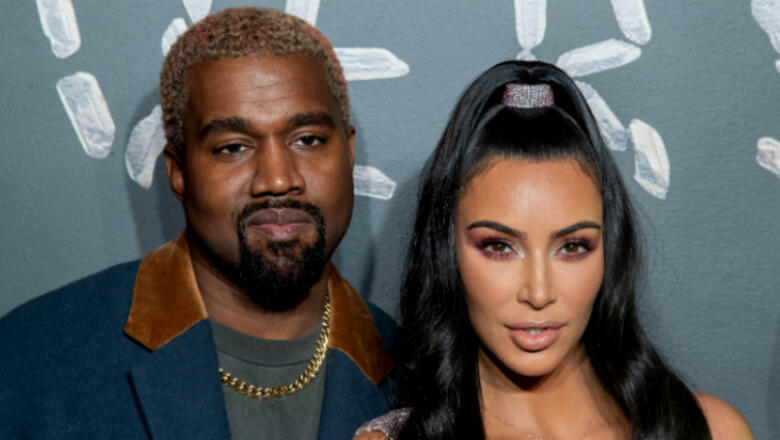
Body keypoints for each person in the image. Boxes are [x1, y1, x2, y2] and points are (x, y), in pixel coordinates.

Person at [0, 7, 398, 440]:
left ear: (349, 154)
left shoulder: (422, 373)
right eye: (233, 148)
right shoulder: (29, 360)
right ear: (178, 172)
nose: (278, 179)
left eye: (308, 140)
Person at [354, 61, 753, 439]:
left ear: (610, 250)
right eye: (499, 247)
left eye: (572, 247)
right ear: (447, 252)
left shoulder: (712, 431)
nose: (539, 292)